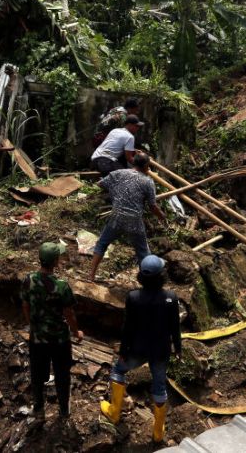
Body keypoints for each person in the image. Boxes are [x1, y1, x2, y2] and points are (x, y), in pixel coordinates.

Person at [100, 254, 181, 443]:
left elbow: (128, 328)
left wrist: (123, 352)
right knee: (160, 386)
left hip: (137, 349)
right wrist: (178, 348)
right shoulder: (170, 298)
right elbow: (175, 326)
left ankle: (114, 412)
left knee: (118, 371)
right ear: (161, 275)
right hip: (161, 351)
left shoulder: (134, 297)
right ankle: (158, 433)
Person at [21, 242, 82, 422]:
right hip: (59, 340)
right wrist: (77, 331)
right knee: (62, 374)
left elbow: (25, 305)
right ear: (55, 261)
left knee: (37, 373)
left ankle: (39, 408)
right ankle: (63, 410)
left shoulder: (28, 280)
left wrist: (31, 324)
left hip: (38, 338)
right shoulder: (62, 286)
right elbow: (69, 313)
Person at [88, 152, 166, 282]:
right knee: (142, 252)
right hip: (134, 220)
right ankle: (149, 283)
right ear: (147, 165)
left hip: (116, 216)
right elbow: (152, 206)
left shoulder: (119, 173)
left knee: (102, 243)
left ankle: (90, 276)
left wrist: (115, 192)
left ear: (133, 162)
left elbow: (101, 184)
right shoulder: (148, 181)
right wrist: (162, 216)